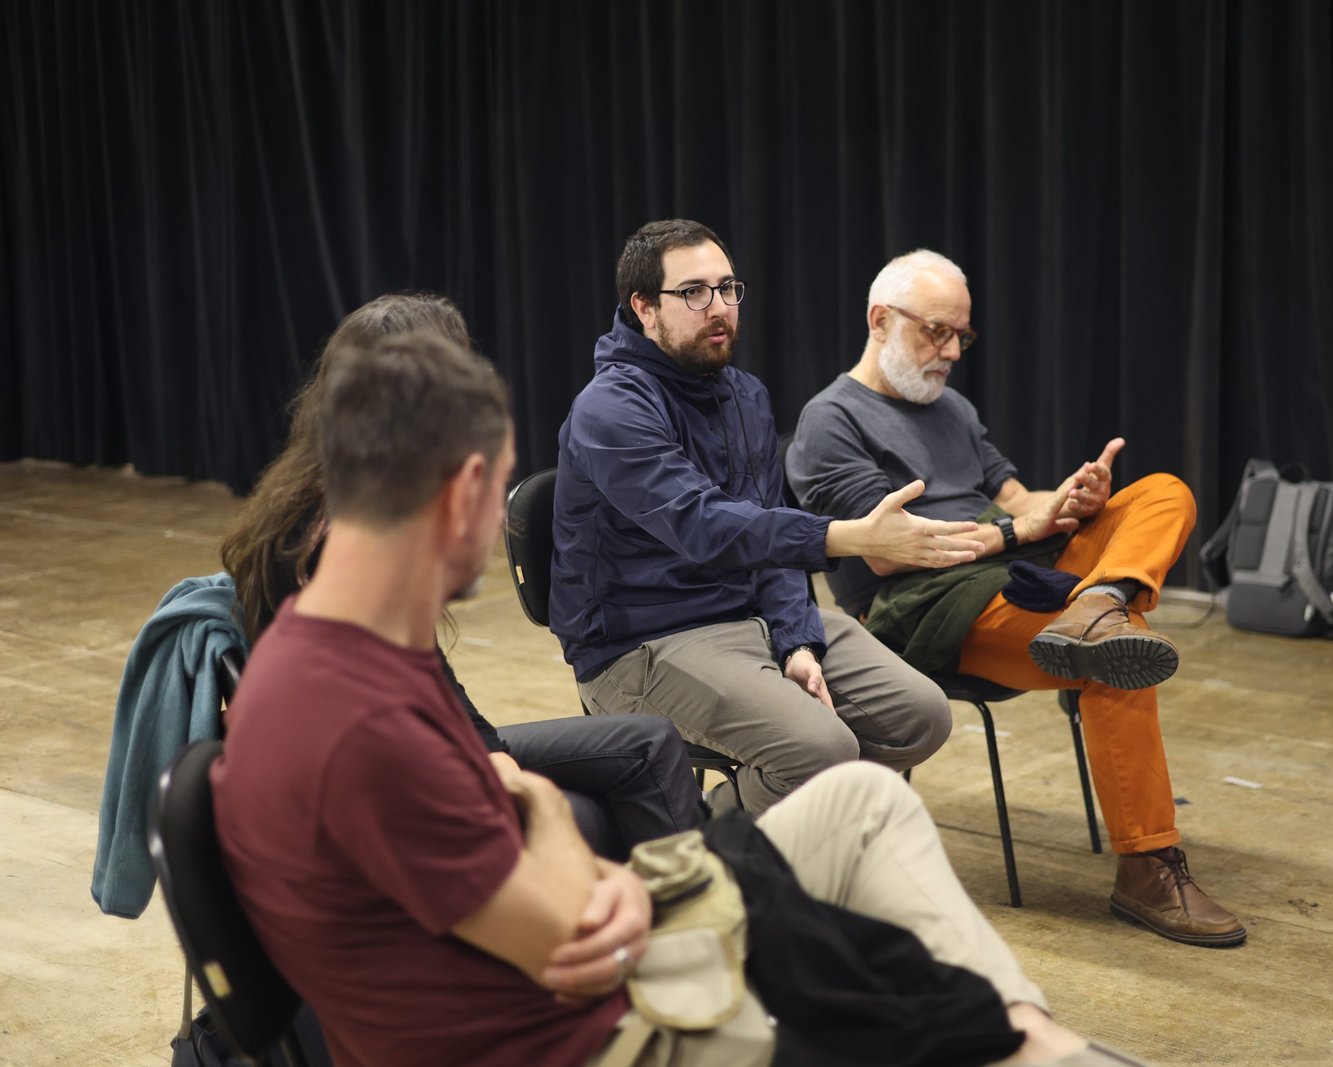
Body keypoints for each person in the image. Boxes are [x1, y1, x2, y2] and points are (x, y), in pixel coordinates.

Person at [212, 333, 1141, 1067]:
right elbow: (577, 945)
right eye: (499, 492)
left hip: (582, 982)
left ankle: (1026, 1034)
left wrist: (539, 813)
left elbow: (531, 858)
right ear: (461, 493)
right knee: (906, 1003)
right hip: (605, 1038)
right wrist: (560, 844)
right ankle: (1032, 1042)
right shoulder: (363, 721)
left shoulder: (333, 648)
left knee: (867, 798)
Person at [787, 249, 1244, 948]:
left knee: (1162, 492)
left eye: (960, 337)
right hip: (925, 603)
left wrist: (1067, 500)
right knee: (1113, 653)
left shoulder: (951, 406)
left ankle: (1104, 598)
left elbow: (1016, 500)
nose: (949, 352)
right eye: (935, 332)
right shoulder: (830, 421)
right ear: (880, 320)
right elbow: (888, 548)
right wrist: (1019, 529)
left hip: (1018, 569)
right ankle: (1147, 867)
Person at [219, 292, 703, 859]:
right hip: (403, 767)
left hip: (423, 744)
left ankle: (686, 912)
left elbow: (422, 675)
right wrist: (507, 781)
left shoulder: (329, 501)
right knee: (598, 808)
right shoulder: (342, 547)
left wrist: (489, 752)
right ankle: (691, 917)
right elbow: (396, 735)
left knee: (646, 743)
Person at [550, 220, 988, 816]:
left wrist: (797, 640)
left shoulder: (745, 396)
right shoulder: (610, 407)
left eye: (729, 288)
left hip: (746, 618)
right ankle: (700, 850)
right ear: (644, 308)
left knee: (920, 717)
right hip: (640, 643)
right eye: (694, 293)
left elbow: (771, 527)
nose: (720, 307)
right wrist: (849, 537)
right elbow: (705, 525)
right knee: (822, 749)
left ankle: (774, 840)